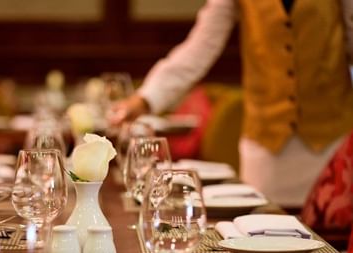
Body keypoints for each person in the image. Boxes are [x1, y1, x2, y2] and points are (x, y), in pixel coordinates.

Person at [110, 0, 353, 208]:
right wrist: (145, 99)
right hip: (266, 148)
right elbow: (199, 47)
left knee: (331, 252)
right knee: (265, 239)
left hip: (332, 144)